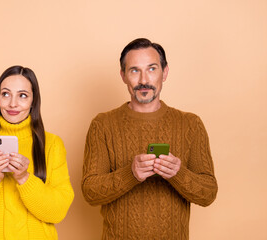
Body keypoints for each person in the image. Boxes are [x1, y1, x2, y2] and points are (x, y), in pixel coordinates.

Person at [81, 38, 218, 239]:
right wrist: (130, 174)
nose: (144, 80)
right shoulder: (102, 125)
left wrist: (177, 174)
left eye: (152, 69)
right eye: (134, 70)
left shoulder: (190, 124)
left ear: (165, 73)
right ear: (123, 76)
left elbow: (208, 194)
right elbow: (90, 193)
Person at [0, 65, 74, 240]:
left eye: (22, 95)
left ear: (33, 101)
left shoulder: (52, 145)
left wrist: (24, 178)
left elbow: (58, 212)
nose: (12, 103)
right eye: (6, 94)